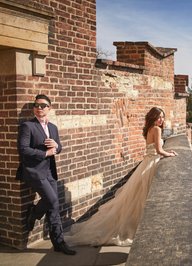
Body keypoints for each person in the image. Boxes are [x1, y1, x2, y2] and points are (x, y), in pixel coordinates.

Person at [64, 107, 177, 246]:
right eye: (159, 117)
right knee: (142, 198)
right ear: (153, 118)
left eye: (163, 117)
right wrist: (169, 154)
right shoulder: (157, 129)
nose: (161, 120)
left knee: (136, 198)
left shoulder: (148, 129)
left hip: (146, 163)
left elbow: (154, 148)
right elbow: (158, 150)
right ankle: (138, 227)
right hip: (151, 164)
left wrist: (166, 151)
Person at [17, 94, 76, 255]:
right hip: (34, 171)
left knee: (53, 206)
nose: (39, 108)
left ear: (49, 108)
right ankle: (35, 213)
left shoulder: (53, 128)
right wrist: (45, 153)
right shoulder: (27, 126)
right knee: (53, 200)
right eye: (36, 105)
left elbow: (59, 148)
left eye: (43, 105)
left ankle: (58, 243)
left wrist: (56, 146)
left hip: (49, 171)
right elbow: (23, 150)